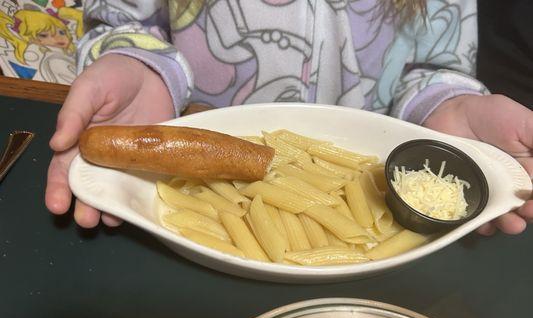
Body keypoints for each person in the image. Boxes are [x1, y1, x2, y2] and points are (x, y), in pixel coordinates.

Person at [45, 0, 532, 235]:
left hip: (363, 200)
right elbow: (122, 21)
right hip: (191, 196)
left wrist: (453, 107)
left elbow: (433, 67)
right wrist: (140, 66)